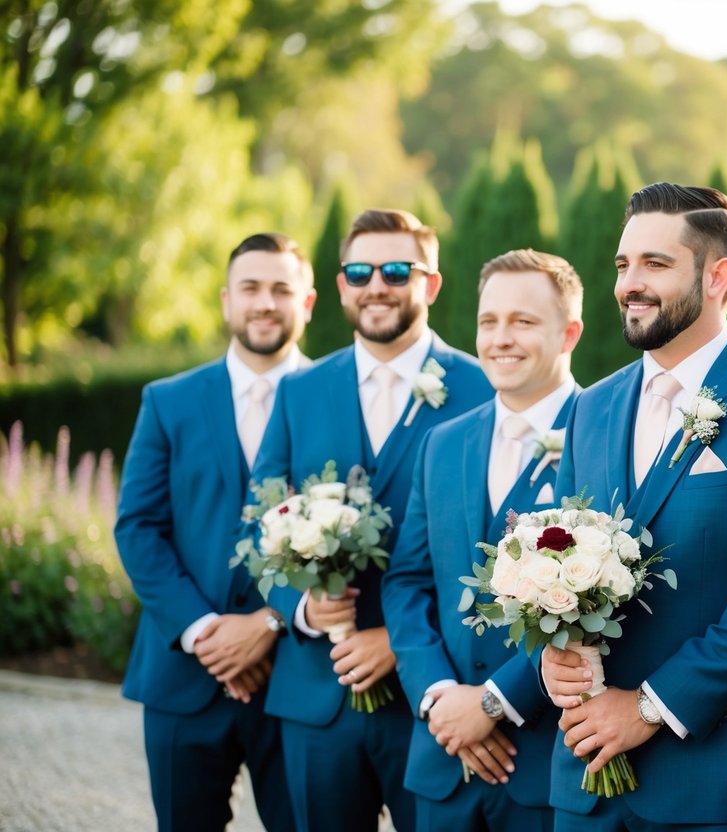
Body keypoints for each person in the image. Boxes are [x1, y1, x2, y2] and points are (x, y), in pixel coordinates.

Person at [541, 182, 727, 831]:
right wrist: (554, 650)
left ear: (717, 275)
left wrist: (649, 707)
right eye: (623, 265)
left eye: (655, 264)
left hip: (719, 781)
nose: (629, 284)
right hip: (588, 775)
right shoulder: (589, 408)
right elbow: (564, 559)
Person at [252, 208, 494, 830]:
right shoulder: (300, 391)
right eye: (359, 271)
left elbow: (502, 543)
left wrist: (403, 641)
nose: (376, 285)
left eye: (396, 269)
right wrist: (303, 608)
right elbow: (259, 521)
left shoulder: (484, 386)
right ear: (340, 286)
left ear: (431, 284)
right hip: (316, 698)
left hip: (435, 704)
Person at [115, 232, 315, 831]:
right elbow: (138, 528)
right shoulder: (167, 401)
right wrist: (207, 633)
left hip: (300, 680)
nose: (264, 302)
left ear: (306, 303)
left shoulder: (336, 400)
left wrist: (270, 621)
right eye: (250, 288)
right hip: (183, 677)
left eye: (282, 289)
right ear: (227, 300)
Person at [383, 248, 585, 831]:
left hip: (548, 762)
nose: (502, 338)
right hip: (443, 757)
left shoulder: (601, 433)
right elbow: (407, 582)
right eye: (489, 321)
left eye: (523, 321)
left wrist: (494, 703)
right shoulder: (443, 443)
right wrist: (442, 699)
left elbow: (611, 598)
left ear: (568, 332)